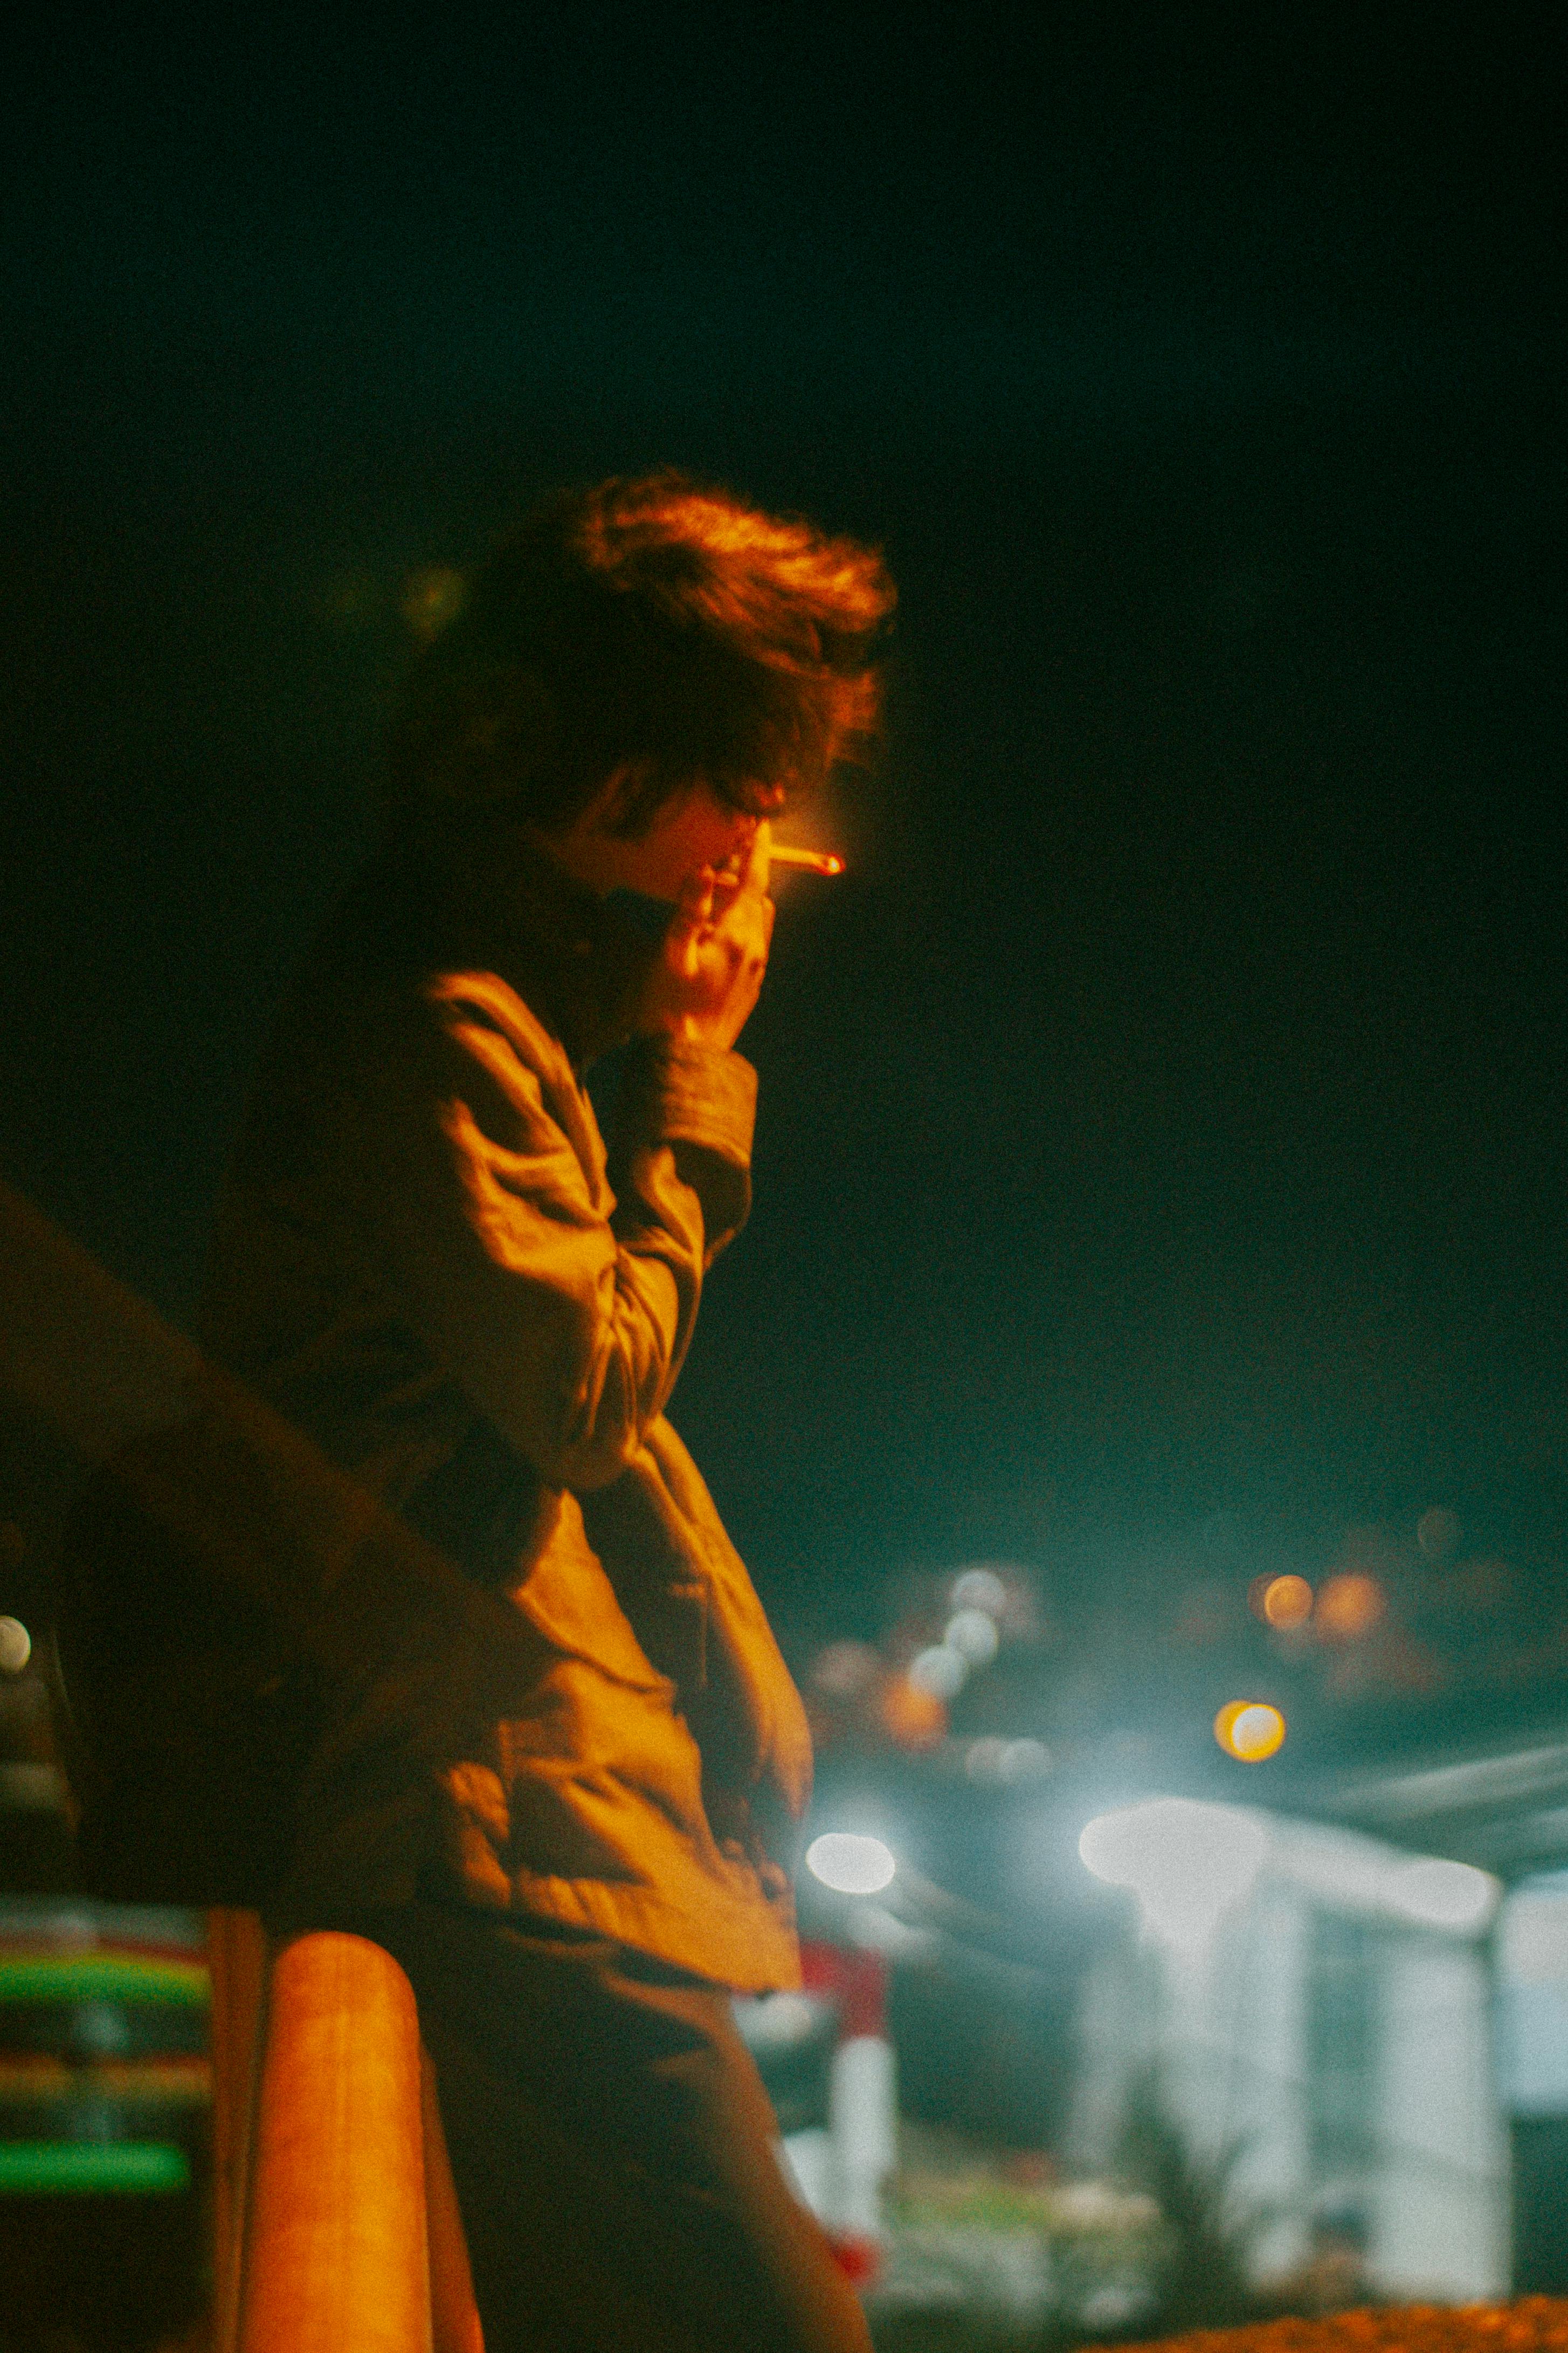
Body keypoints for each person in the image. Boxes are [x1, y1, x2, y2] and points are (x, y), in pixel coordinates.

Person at [196, 473, 896, 2350]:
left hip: (507, 1803)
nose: (757, 831)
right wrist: (693, 1077)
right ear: (622, 763)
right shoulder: (435, 1015)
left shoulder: (472, 979)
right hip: (496, 1814)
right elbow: (582, 1388)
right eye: (745, 778)